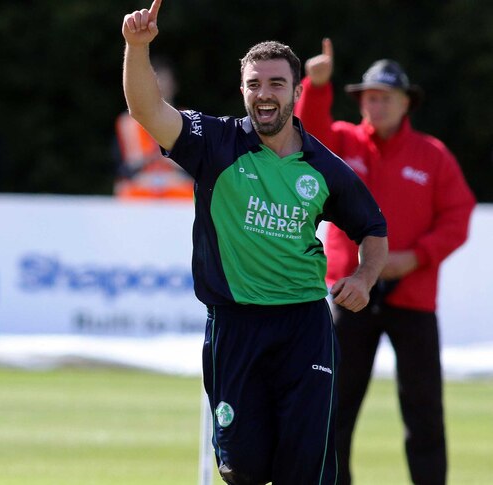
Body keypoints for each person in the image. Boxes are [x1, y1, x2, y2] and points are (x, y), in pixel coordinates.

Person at [122, 2, 389, 483]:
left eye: (276, 84)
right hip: (235, 324)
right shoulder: (215, 143)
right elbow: (146, 110)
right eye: (254, 84)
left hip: (304, 322)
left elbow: (373, 227)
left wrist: (366, 276)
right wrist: (137, 47)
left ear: (296, 92)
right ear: (242, 90)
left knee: (304, 468)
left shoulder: (324, 167)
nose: (264, 95)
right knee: (242, 468)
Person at [295, 39, 476, 485]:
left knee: (424, 413)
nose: (376, 105)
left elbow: (458, 214)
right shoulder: (341, 141)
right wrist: (316, 86)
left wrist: (416, 257)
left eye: (385, 97)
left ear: (405, 102)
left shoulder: (432, 154)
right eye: (369, 97)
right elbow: (306, 131)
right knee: (335, 406)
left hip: (412, 296)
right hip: (349, 291)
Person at [114, 57, 194, 199]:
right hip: (140, 184)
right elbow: (124, 166)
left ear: (174, 85)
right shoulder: (128, 122)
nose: (161, 87)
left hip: (177, 184)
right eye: (155, 82)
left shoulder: (188, 119)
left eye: (164, 81)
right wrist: (148, 160)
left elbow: (196, 163)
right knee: (125, 190)